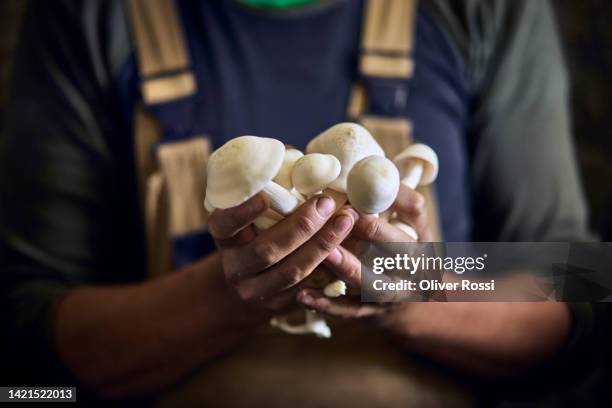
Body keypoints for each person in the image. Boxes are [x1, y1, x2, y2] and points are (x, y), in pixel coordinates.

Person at [0, 0, 595, 405]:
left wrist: (418, 292)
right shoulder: (89, 14)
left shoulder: (483, 8)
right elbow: (26, 352)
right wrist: (228, 295)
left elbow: (573, 284)